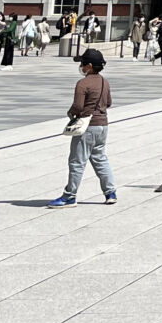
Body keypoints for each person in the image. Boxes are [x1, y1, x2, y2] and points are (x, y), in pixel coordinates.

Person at [49, 48, 118, 207]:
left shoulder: (82, 84)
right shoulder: (104, 82)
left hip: (87, 126)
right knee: (100, 159)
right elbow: (108, 103)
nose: (81, 66)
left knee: (77, 162)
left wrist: (71, 113)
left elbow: (78, 106)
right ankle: (110, 192)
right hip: (102, 126)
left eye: (82, 63)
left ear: (89, 66)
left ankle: (69, 196)